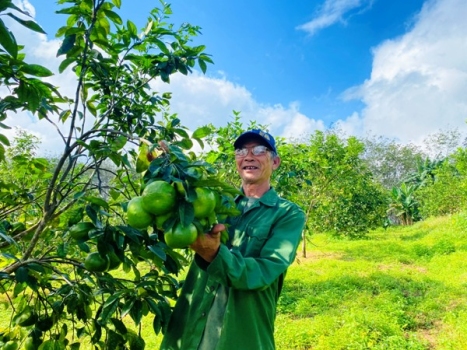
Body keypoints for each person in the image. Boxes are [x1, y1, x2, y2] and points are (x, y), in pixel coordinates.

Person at [160, 129, 306, 350]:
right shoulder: (216, 202)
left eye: (259, 150)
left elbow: (265, 269)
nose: (249, 156)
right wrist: (172, 172)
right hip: (192, 323)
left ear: (275, 162)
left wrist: (214, 254)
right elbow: (175, 215)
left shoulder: (288, 214)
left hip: (242, 330)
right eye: (241, 151)